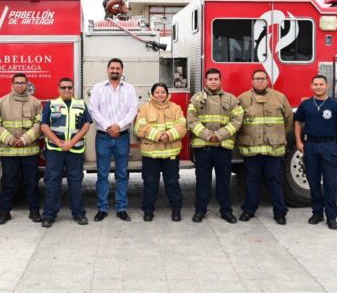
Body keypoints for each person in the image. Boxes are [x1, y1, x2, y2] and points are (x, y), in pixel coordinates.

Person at [187, 68, 243, 223]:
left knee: (223, 181)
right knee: (202, 181)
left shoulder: (231, 99)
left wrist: (218, 136)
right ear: (205, 81)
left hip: (222, 148)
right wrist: (207, 135)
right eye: (210, 79)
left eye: (216, 79)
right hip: (202, 148)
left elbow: (237, 121)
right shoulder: (196, 99)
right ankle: (200, 210)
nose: (213, 81)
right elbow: (191, 121)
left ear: (220, 80)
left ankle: (226, 211)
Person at [237, 70, 293, 225]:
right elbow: (236, 122)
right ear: (252, 81)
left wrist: (276, 136)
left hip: (273, 149)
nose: (260, 81)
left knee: (274, 180)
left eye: (262, 79)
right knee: (251, 180)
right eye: (257, 79)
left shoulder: (279, 97)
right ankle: (249, 210)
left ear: (268, 81)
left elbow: (288, 121)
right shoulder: (242, 99)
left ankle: (280, 213)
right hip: (252, 149)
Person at [294, 74, 337, 230]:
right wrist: (299, 142)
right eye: (315, 84)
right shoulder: (306, 105)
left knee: (331, 183)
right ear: (311, 86)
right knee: (313, 182)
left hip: (329, 146)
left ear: (327, 86)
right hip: (310, 146)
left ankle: (331, 217)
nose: (318, 87)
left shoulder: (335, 105)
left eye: (321, 84)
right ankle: (317, 213)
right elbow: (297, 123)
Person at [88, 58, 139, 222]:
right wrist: (109, 126)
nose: (115, 70)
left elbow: (133, 110)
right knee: (102, 174)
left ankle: (121, 208)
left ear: (122, 70)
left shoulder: (130, 89)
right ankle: (102, 208)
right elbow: (93, 109)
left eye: (118, 68)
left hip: (122, 137)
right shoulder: (98, 88)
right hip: (103, 136)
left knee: (122, 174)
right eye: (112, 68)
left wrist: (119, 126)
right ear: (107, 70)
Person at [40, 78, 93, 227]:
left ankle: (78, 213)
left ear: (73, 89)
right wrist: (59, 143)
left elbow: (86, 125)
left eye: (70, 87)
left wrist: (71, 143)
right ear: (58, 89)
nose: (67, 90)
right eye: (63, 87)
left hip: (75, 150)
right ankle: (49, 215)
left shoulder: (81, 104)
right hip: (55, 150)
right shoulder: (51, 105)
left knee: (75, 182)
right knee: (52, 181)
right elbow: (44, 126)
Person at [0, 73, 43, 225]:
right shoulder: (1, 102)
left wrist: (24, 139)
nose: (20, 85)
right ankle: (4, 212)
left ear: (27, 84)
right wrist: (10, 139)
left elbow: (39, 125)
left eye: (23, 83)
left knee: (32, 182)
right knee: (8, 183)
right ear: (12, 84)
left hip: (29, 151)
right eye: (17, 83)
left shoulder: (36, 103)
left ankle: (34, 211)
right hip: (9, 151)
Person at [134, 83, 187, 222]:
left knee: (172, 183)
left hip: (171, 154)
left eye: (163, 92)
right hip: (151, 155)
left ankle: (176, 210)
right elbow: (139, 127)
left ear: (167, 94)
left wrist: (168, 135)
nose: (160, 94)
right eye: (157, 92)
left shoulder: (176, 108)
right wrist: (159, 136)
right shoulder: (144, 109)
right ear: (152, 94)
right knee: (150, 183)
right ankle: (148, 211)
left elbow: (182, 126)